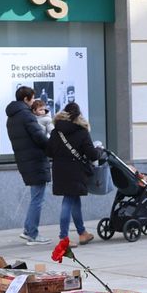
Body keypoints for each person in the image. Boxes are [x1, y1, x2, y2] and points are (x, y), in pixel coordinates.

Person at [49, 100, 101, 245]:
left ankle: (82, 233)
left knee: (74, 200)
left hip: (59, 170)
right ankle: (63, 238)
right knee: (68, 200)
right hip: (75, 171)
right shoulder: (82, 132)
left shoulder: (56, 131)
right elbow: (92, 155)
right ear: (79, 115)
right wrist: (98, 150)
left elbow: (49, 151)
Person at [5, 85, 51, 243]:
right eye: (32, 99)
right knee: (37, 199)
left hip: (25, 160)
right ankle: (32, 233)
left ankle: (28, 229)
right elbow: (39, 137)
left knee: (35, 197)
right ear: (26, 99)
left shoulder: (12, 117)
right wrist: (52, 147)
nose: (33, 102)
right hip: (35, 160)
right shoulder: (26, 115)